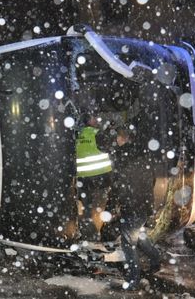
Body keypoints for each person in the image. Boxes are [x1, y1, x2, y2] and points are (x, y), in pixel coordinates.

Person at [97, 126, 161, 288]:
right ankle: (155, 259)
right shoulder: (143, 154)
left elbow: (118, 185)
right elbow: (152, 179)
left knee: (128, 244)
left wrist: (110, 207)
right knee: (139, 236)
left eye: (116, 139)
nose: (115, 142)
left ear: (122, 138)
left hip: (131, 205)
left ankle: (133, 279)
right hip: (143, 205)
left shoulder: (121, 156)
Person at [75, 114, 113, 239]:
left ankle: (88, 235)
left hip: (83, 181)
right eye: (94, 118)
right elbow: (111, 148)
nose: (96, 120)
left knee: (87, 211)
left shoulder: (77, 135)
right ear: (89, 120)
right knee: (100, 210)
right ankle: (100, 235)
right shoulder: (97, 134)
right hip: (100, 180)